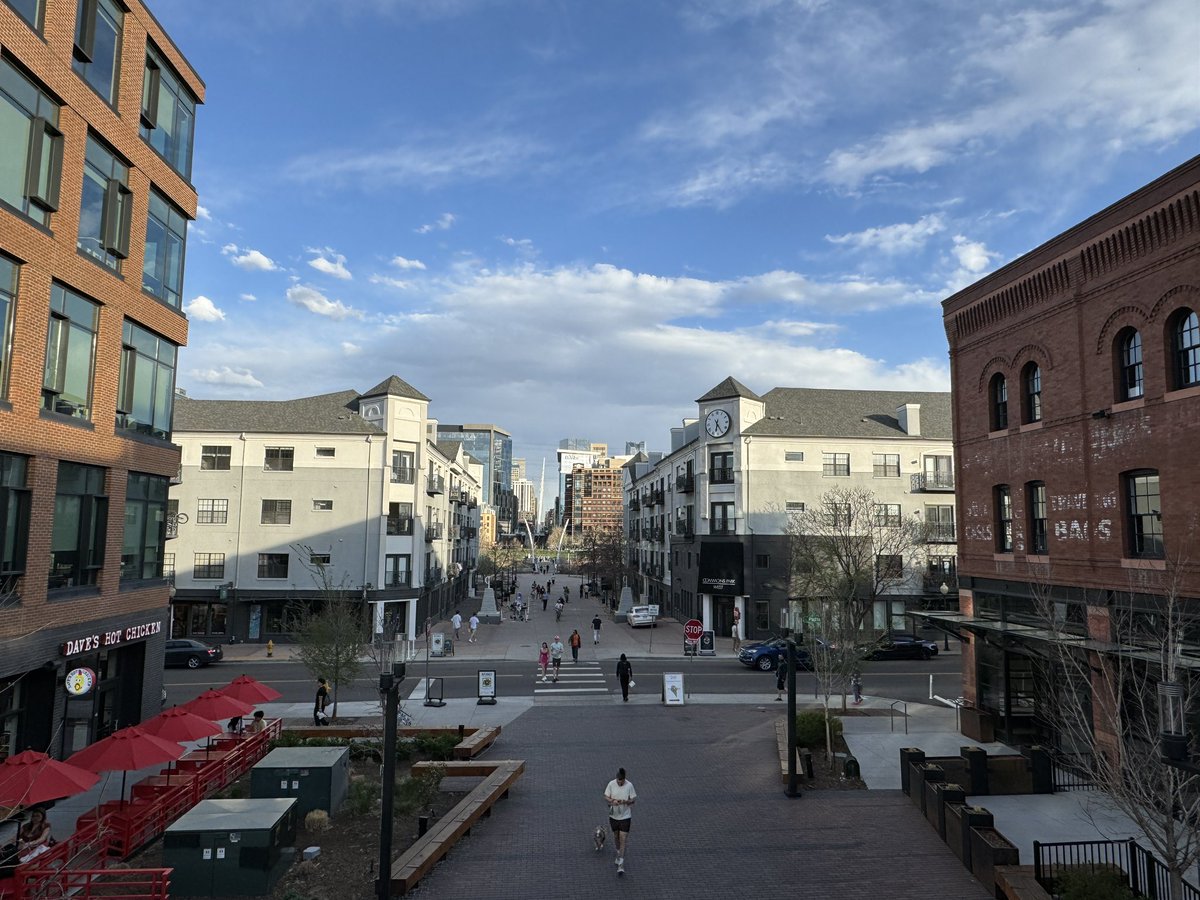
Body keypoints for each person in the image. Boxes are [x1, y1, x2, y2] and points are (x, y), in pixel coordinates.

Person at [604, 768, 637, 875]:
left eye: (621, 781)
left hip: (625, 817)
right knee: (616, 837)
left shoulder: (629, 785)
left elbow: (633, 800)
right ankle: (618, 853)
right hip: (614, 815)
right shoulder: (611, 784)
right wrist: (612, 800)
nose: (619, 783)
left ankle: (621, 864)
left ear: (624, 779)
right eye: (618, 781)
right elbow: (606, 796)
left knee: (623, 839)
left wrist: (625, 801)